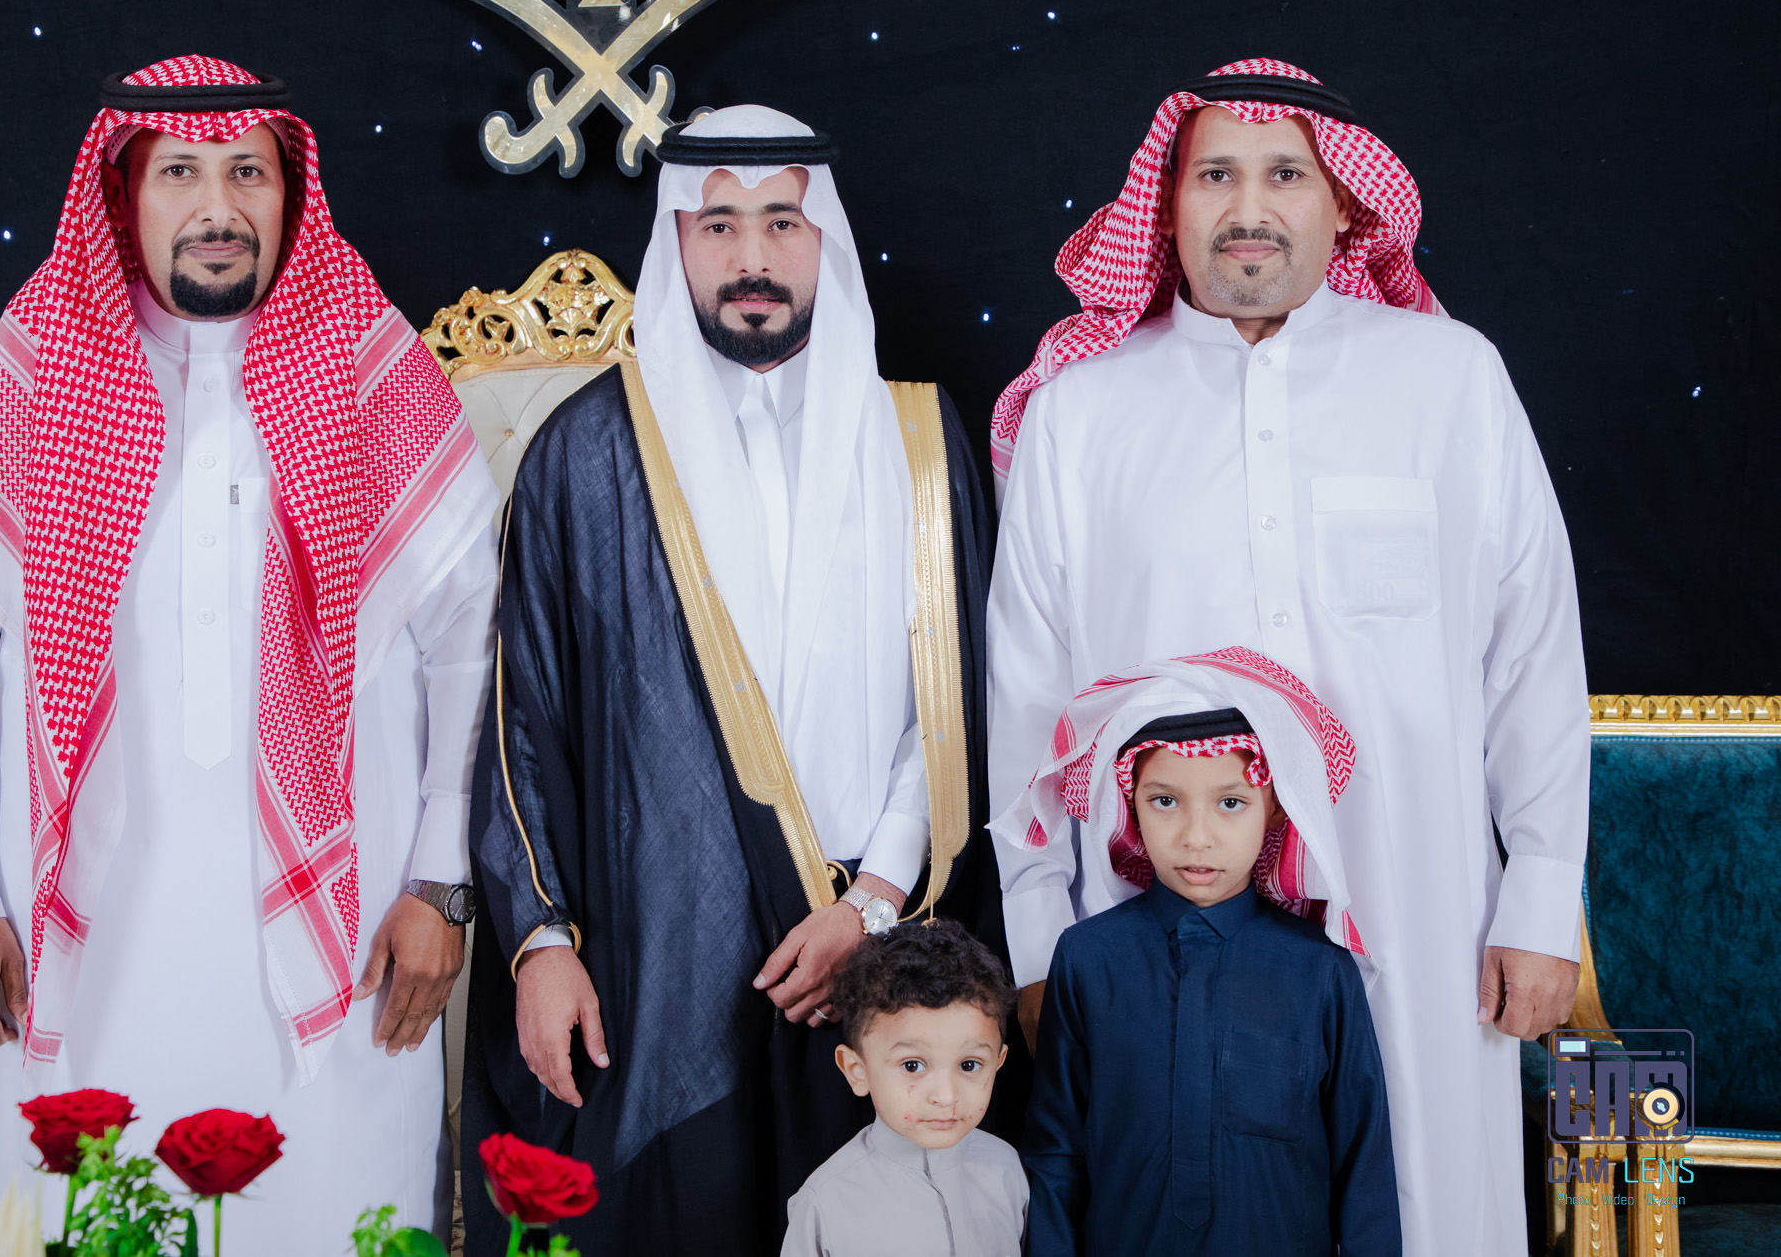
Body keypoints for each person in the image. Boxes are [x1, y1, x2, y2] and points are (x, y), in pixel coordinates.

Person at [0, 56, 498, 1251]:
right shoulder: (36, 368)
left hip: (351, 946)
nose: (218, 208)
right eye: (179, 173)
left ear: (287, 194)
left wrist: (438, 881)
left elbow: (470, 647)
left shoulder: (368, 370)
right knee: (96, 1215)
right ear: (122, 196)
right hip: (85, 943)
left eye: (246, 174)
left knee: (338, 1217)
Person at [987, 58, 1587, 1256]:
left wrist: (1536, 897)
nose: (1247, 208)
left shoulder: (1448, 380)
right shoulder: (1080, 413)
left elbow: (1530, 651)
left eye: (1284, 175)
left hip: (1414, 900)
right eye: (1214, 175)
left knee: (1423, 1200)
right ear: (1167, 203)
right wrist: (1040, 941)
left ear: (1343, 204)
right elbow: (1025, 700)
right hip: (1152, 926)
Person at [460, 105, 1007, 1255]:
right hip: (654, 952)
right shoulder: (586, 452)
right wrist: (540, 944)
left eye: (779, 222)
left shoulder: (916, 441)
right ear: (675, 240)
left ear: (825, 240)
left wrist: (870, 904)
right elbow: (521, 721)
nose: (751, 255)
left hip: (877, 947)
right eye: (717, 225)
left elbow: (957, 704)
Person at [1000, 648, 1398, 1256]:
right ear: (1131, 804)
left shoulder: (1321, 972)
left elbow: (1363, 1168)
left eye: (1230, 802)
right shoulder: (1086, 959)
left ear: (1274, 809)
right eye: (1165, 800)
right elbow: (1057, 1153)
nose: (1196, 837)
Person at [782, 920, 1027, 1257]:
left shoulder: (1008, 1170)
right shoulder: (824, 1203)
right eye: (913, 1066)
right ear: (857, 1071)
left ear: (998, 1062)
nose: (946, 1096)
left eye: (969, 1065)